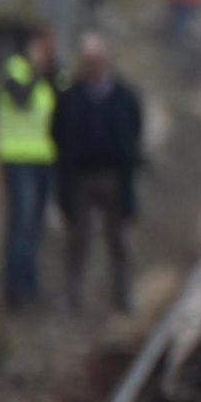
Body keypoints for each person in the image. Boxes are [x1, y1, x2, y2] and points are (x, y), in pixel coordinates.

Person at [51, 34, 143, 318]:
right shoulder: (70, 97)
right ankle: (73, 295)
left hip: (115, 176)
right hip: (81, 177)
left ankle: (123, 294)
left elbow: (135, 131)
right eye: (88, 61)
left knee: (119, 239)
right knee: (78, 238)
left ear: (107, 61)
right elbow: (57, 132)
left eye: (97, 60)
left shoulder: (125, 96)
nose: (92, 67)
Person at [0, 28, 59, 313]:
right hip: (18, 157)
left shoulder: (52, 74)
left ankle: (30, 285)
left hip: (44, 158)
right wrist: (37, 71)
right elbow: (21, 99)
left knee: (34, 225)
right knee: (20, 224)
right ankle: (15, 289)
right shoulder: (15, 70)